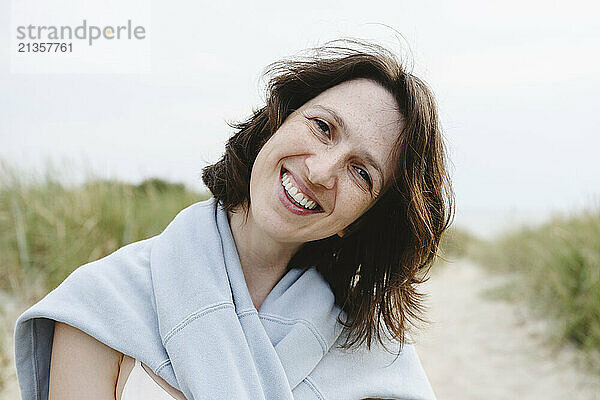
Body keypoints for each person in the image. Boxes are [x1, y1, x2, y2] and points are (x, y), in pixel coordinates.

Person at [14, 38, 454, 400]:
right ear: (278, 121)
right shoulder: (103, 303)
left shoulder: (375, 353)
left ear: (358, 220)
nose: (321, 171)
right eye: (323, 127)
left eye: (361, 172)